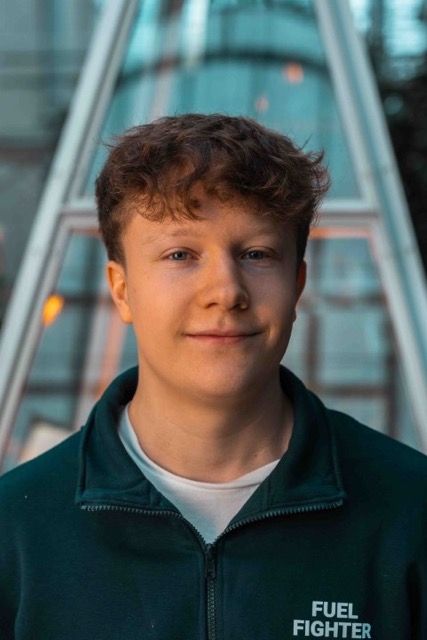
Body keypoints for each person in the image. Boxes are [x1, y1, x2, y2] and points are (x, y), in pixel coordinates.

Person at [0, 113, 426, 640]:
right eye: (180, 254)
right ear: (121, 289)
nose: (226, 291)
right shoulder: (16, 531)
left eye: (256, 254)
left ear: (297, 285)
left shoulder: (411, 513)